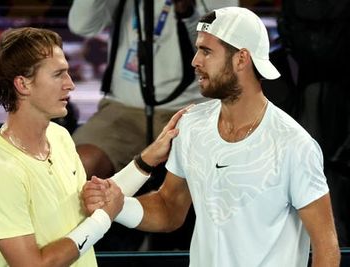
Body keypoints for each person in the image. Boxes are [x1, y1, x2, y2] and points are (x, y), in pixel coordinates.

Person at [83, 7, 341, 266]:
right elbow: (169, 209)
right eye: (198, 50)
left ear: (241, 59)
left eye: (206, 51)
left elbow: (326, 249)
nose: (196, 60)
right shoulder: (192, 126)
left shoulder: (294, 144)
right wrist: (117, 205)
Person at [0, 27, 186, 267]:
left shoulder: (59, 137)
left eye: (68, 73)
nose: (70, 84)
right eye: (58, 74)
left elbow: (98, 201)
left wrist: (148, 159)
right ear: (23, 84)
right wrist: (102, 219)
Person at [68, 0, 238, 251]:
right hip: (122, 110)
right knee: (78, 165)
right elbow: (81, 25)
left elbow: (226, 47)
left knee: (215, 178)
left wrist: (188, 14)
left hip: (189, 108)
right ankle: (68, 252)